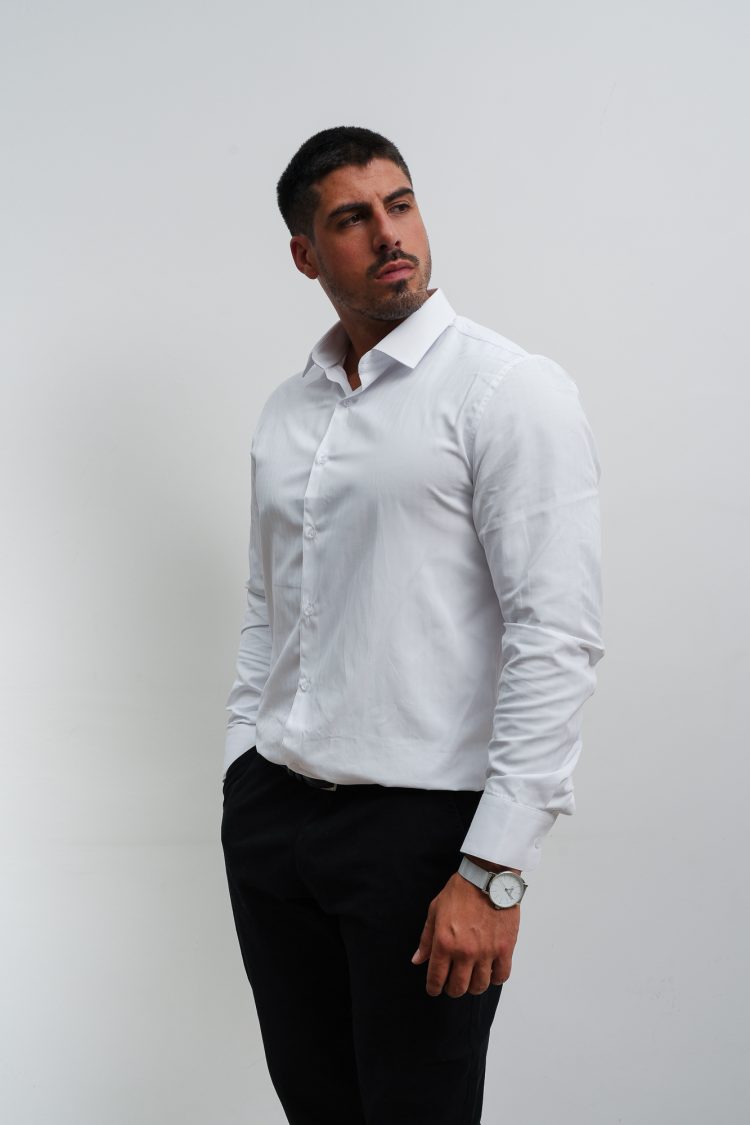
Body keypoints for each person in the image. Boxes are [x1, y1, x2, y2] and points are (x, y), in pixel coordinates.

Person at [220, 125, 604, 1125]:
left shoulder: (506, 391)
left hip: (423, 837)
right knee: (317, 1107)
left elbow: (555, 635)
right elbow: (269, 605)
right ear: (306, 254)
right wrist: (241, 767)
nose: (390, 234)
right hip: (277, 822)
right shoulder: (287, 411)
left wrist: (494, 869)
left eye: (401, 204)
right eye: (353, 218)